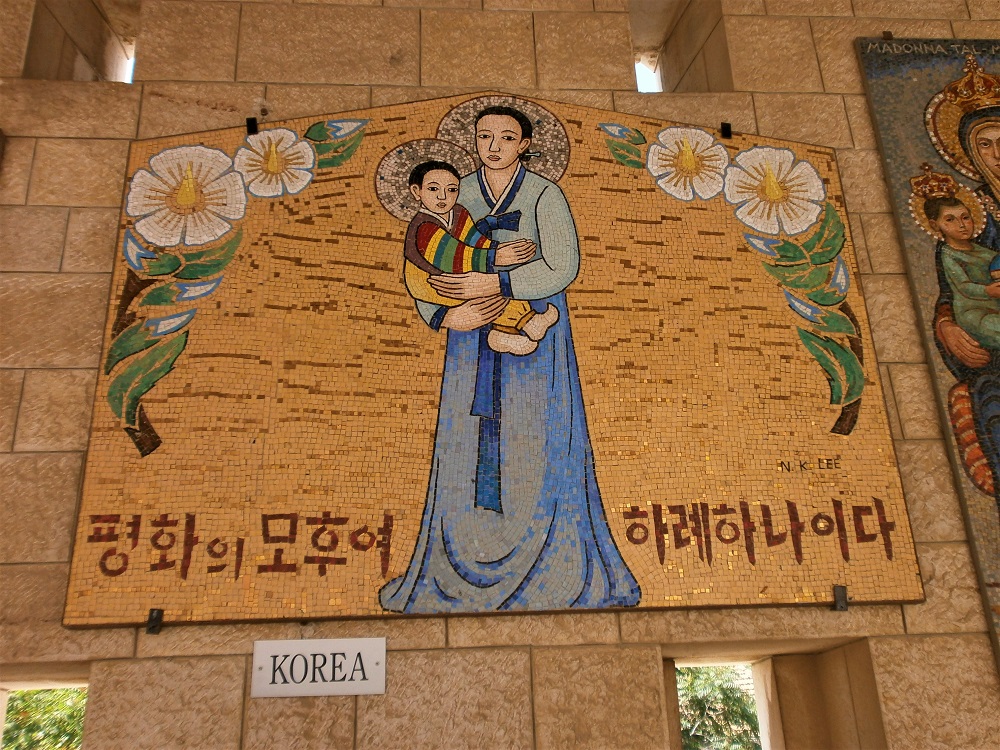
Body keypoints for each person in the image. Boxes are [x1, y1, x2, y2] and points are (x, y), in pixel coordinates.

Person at [379, 104, 641, 613]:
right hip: (469, 334)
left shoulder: (544, 194)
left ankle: (556, 563)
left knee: (536, 439)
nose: (493, 146)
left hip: (535, 335)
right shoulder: (453, 193)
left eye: (505, 137)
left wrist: (498, 282)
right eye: (484, 136)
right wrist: (442, 315)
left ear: (524, 145)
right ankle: (455, 563)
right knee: (467, 443)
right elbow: (418, 263)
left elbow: (562, 266)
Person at [402, 159, 559, 356]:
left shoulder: (458, 212)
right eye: (433, 189)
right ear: (417, 191)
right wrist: (495, 257)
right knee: (488, 292)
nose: (443, 196)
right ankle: (523, 323)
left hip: (455, 270)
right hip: (431, 281)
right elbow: (451, 256)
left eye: (452, 189)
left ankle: (511, 329)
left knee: (495, 288)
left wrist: (497, 248)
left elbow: (473, 239)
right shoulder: (424, 226)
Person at [926, 193, 1000, 349]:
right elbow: (963, 286)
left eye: (965, 217)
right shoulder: (948, 255)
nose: (961, 225)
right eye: (950, 219)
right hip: (974, 314)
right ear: (935, 225)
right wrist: (987, 291)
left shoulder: (985, 252)